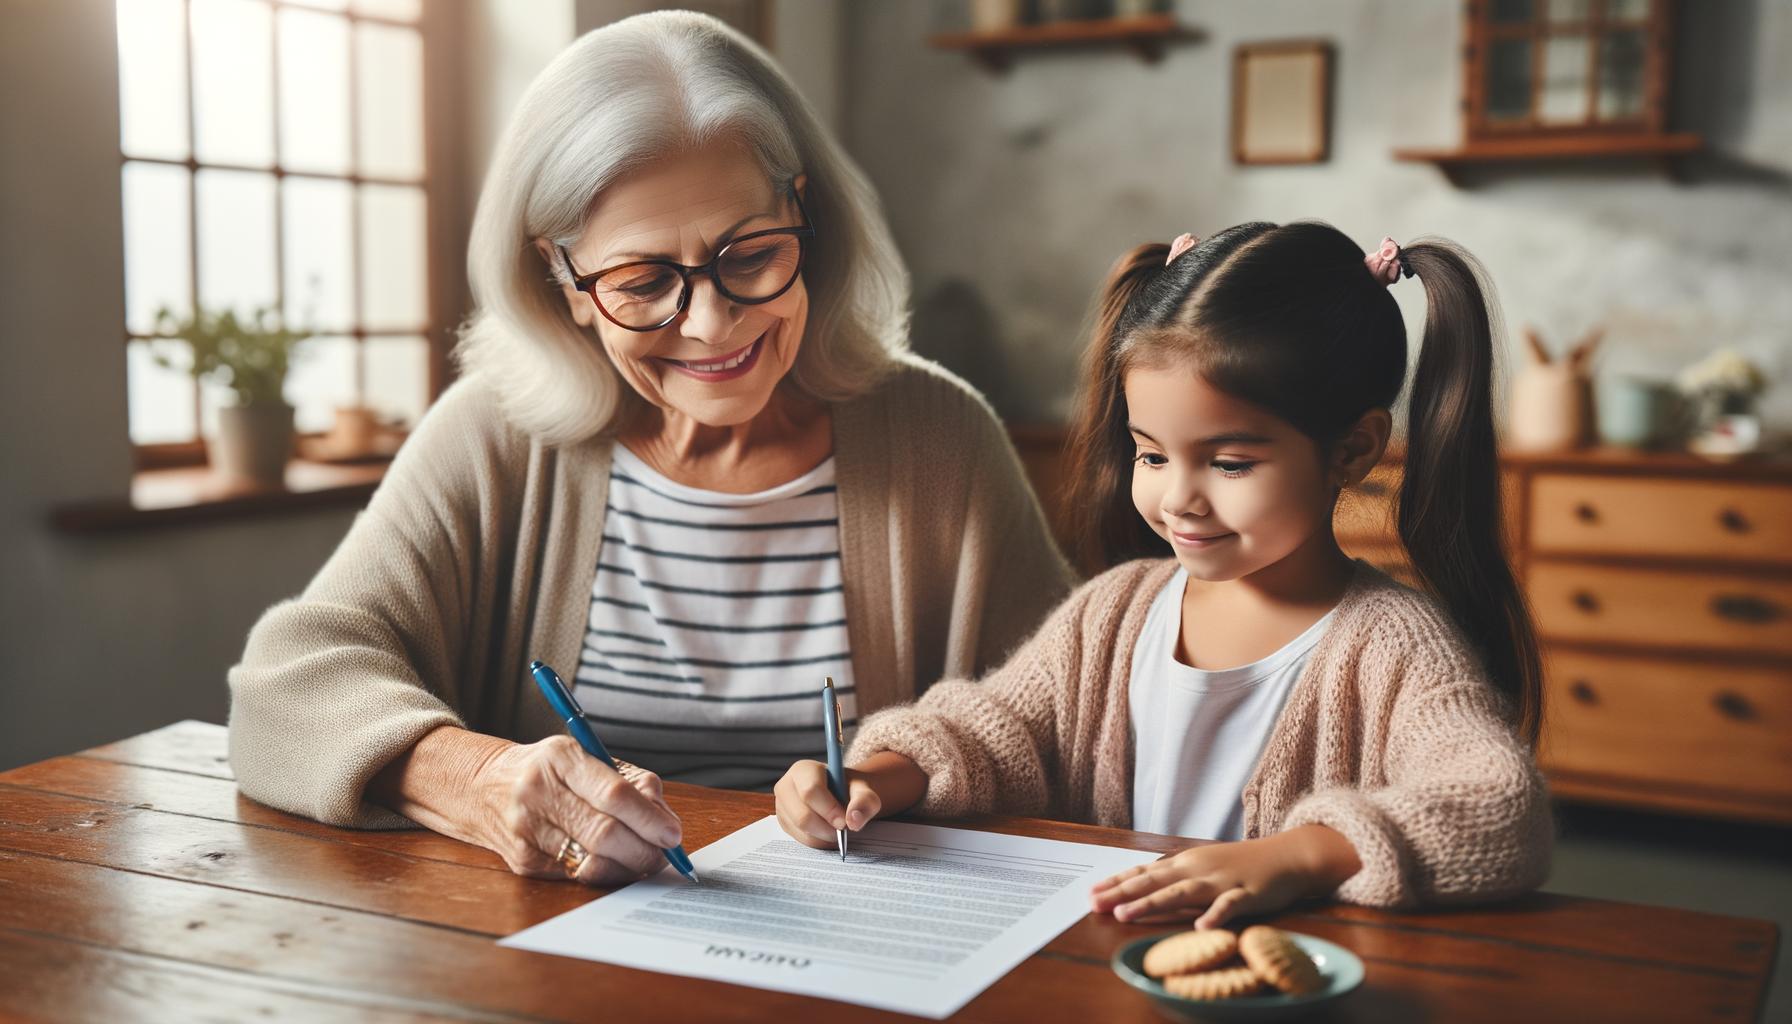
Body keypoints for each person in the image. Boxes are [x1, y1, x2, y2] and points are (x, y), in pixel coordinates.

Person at [228, 11, 1072, 888]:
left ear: (805, 213)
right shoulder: (496, 438)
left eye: (751, 255)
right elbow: (286, 685)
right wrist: (476, 779)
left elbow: (1065, 722)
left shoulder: (939, 439)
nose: (712, 324)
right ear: (566, 286)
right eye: (643, 283)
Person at [775, 222, 1552, 925]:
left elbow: (1498, 809)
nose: (1177, 496)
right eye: (1150, 453)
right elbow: (995, 728)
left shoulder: (1394, 647)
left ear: (1352, 450)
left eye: (1230, 461)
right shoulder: (1113, 611)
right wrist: (880, 775)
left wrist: (1293, 856)